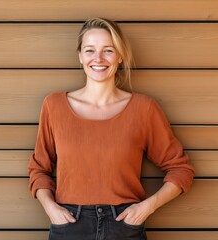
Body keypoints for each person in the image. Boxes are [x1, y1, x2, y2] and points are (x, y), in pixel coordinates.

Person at [28, 17, 195, 240]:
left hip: (123, 226)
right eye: (89, 50)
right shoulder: (54, 106)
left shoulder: (144, 109)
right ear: (80, 56)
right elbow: (39, 169)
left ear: (120, 56)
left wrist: (146, 208)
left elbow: (180, 169)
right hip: (70, 225)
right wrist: (51, 209)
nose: (98, 59)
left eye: (108, 50)